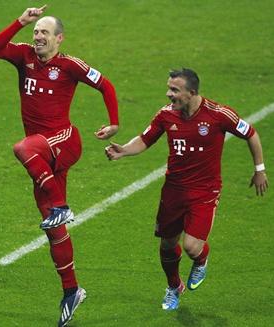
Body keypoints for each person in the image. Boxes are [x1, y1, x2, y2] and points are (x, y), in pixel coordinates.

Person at [0, 5, 119, 326]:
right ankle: (71, 291)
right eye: (35, 32)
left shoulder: (69, 65)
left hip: (63, 141)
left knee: (23, 146)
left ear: (59, 38)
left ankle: (61, 204)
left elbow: (106, 85)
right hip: (41, 159)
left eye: (44, 32)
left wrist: (114, 123)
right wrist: (21, 20)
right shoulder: (23, 57)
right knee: (54, 230)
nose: (37, 37)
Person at [105, 68, 268, 311]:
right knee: (168, 245)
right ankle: (173, 286)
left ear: (191, 93)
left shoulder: (219, 115)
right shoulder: (165, 115)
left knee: (192, 247)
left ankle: (201, 259)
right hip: (173, 191)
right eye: (169, 88)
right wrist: (124, 150)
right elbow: (145, 139)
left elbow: (251, 134)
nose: (168, 94)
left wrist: (260, 170)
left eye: (174, 90)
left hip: (205, 191)